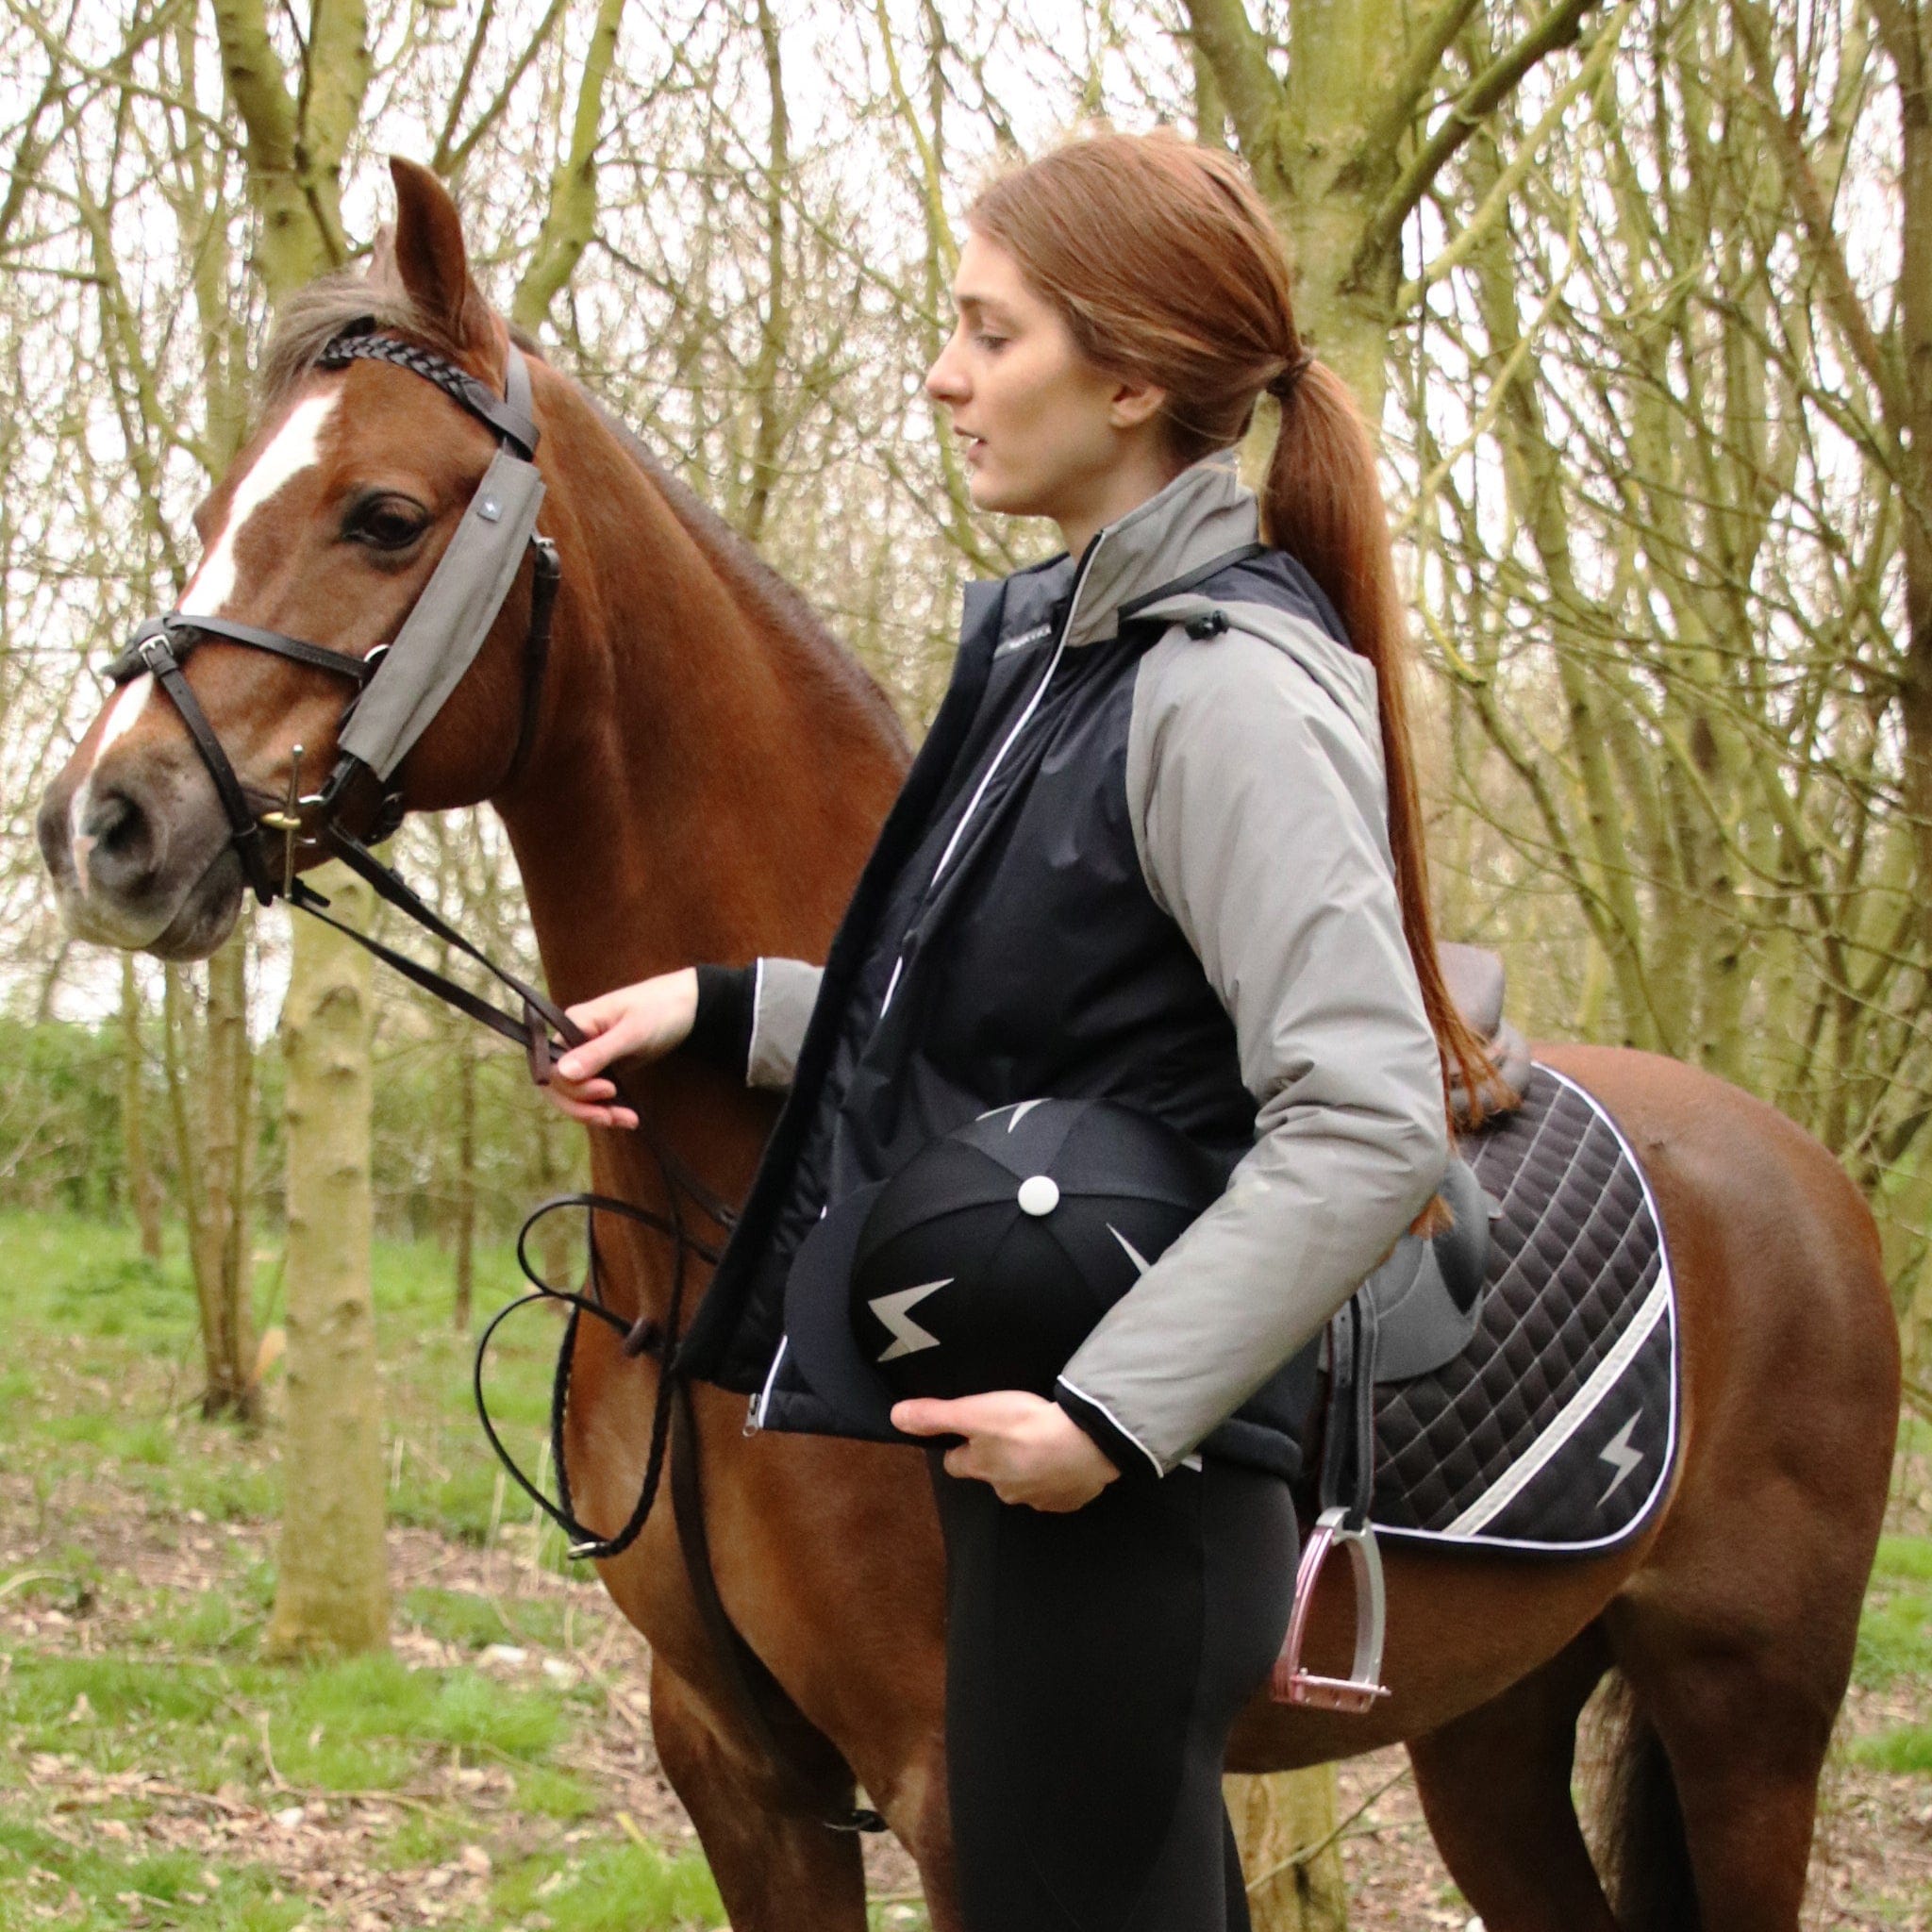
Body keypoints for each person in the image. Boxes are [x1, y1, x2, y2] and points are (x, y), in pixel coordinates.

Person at [541, 129, 1485, 1932]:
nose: (943, 374)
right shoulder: (1074, 656)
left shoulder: (1221, 690)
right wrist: (721, 1008)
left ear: (1128, 380)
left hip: (1128, 1505)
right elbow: (1028, 1021)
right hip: (1058, 1485)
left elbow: (1370, 1119)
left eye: (990, 332)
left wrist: (1109, 1421)